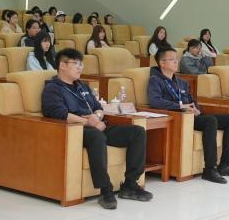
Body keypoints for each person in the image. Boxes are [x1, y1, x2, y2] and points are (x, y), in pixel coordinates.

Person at [41, 47, 152, 209]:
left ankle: (130, 184)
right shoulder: (53, 88)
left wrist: (97, 118)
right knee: (96, 136)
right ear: (62, 66)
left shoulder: (82, 86)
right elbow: (58, 113)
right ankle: (105, 190)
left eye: (81, 64)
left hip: (97, 125)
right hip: (75, 130)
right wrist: (88, 122)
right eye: (75, 63)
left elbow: (98, 107)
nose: (80, 67)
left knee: (137, 132)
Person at [149, 48, 229, 183]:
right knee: (210, 121)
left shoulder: (181, 82)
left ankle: (225, 165)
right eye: (172, 59)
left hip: (192, 116)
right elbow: (155, 101)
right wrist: (181, 106)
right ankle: (209, 169)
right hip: (178, 118)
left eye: (177, 59)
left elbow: (193, 101)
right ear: (162, 63)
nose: (176, 62)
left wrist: (196, 109)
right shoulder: (155, 80)